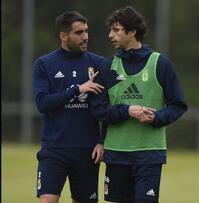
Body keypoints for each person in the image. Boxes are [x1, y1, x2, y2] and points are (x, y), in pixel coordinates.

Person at [89, 6, 187, 203]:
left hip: (149, 155)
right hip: (116, 154)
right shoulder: (107, 67)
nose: (110, 35)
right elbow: (99, 110)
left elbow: (178, 105)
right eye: (111, 30)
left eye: (116, 30)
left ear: (132, 32)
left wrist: (156, 118)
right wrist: (128, 111)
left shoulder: (160, 64)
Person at [33, 10, 105, 203]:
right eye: (79, 33)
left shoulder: (99, 64)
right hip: (54, 148)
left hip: (87, 150)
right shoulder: (44, 64)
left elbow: (108, 108)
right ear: (63, 36)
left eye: (86, 31)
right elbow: (42, 103)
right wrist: (77, 89)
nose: (86, 37)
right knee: (47, 200)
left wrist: (102, 140)